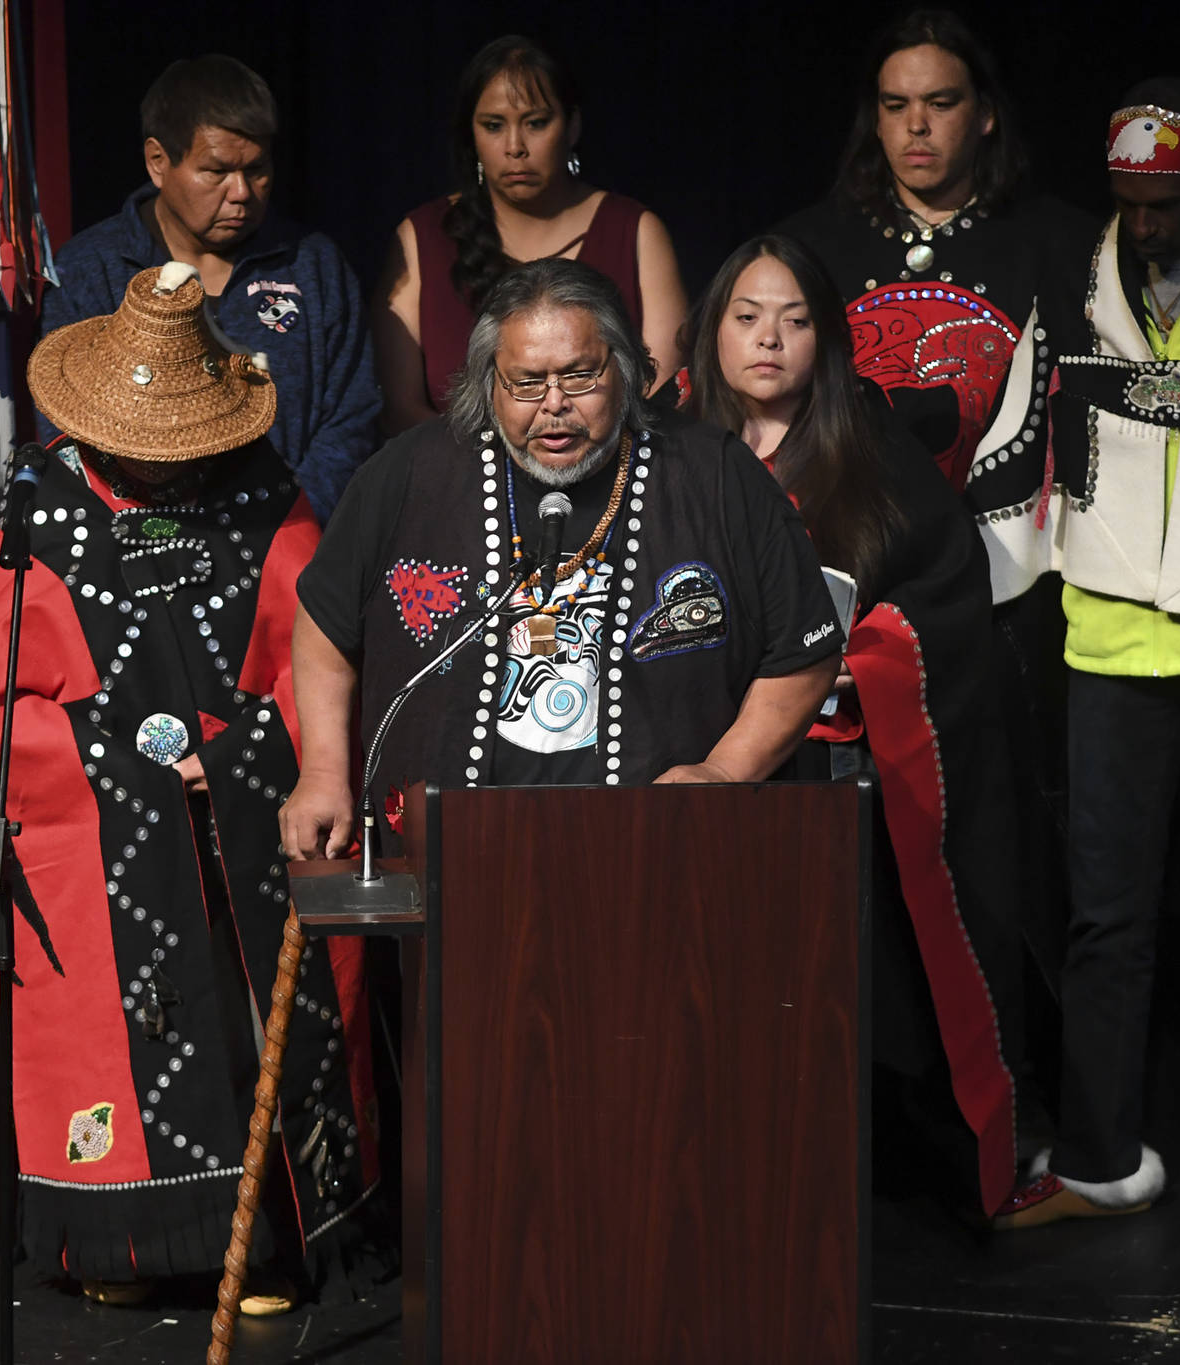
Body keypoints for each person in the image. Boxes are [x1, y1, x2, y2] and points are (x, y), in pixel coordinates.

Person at [0, 263, 378, 1315]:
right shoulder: (37, 511)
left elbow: (317, 654)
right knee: (117, 1031)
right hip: (102, 838)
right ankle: (123, 1246)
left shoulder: (267, 496)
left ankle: (268, 1238)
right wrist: (126, 766)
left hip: (241, 820)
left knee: (253, 1021)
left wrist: (240, 758)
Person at [281, 256, 841, 866]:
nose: (553, 405)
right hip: (450, 864)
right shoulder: (410, 471)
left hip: (663, 860)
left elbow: (804, 651)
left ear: (625, 370)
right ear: (487, 381)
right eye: (526, 382)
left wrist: (726, 771)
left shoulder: (714, 474)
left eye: (580, 377)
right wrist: (324, 774)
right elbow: (325, 623)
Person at [685, 233, 1026, 1218]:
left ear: (825, 340)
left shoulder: (869, 449)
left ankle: (842, 1178)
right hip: (699, 763)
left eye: (794, 321)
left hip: (833, 774)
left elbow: (944, 595)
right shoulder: (669, 446)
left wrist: (860, 652)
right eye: (746, 318)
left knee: (837, 996)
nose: (768, 341)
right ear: (712, 330)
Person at [776, 7, 1094, 1011]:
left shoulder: (1061, 245)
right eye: (895, 106)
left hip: (1020, 605)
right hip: (863, 604)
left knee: (1016, 849)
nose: (917, 129)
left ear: (986, 116)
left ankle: (1025, 1087)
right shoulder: (808, 250)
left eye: (941, 104)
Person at [999, 82, 1180, 1237]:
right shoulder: (1075, 273)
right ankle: (1101, 1155)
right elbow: (1018, 435)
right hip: (1108, 629)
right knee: (1103, 912)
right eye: (1128, 202)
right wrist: (1006, 579)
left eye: (1165, 205)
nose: (1143, 226)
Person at [40, 55, 377, 521]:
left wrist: (281, 529)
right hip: (132, 557)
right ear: (158, 162)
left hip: (294, 549)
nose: (242, 192)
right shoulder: (90, 269)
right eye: (216, 172)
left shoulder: (314, 264)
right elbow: (65, 426)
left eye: (257, 170)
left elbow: (352, 420)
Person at [375, 35, 688, 436]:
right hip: (454, 485)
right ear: (470, 133)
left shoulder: (637, 231)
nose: (514, 147)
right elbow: (400, 409)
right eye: (493, 126)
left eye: (536, 123)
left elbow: (662, 395)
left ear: (572, 125)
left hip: (612, 483)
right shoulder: (421, 237)